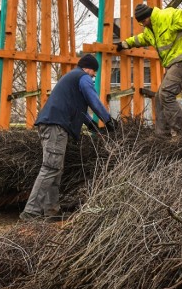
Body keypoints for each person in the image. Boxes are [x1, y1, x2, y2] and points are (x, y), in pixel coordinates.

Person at [20, 54, 115, 221]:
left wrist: (89, 123)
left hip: (50, 124)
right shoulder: (83, 77)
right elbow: (93, 99)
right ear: (88, 68)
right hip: (56, 126)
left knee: (55, 168)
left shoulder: (71, 78)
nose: (93, 77)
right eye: (93, 73)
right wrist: (107, 120)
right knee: (50, 168)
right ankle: (31, 212)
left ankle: (52, 211)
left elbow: (76, 106)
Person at [116, 3, 182, 137]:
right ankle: (162, 136)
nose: (144, 24)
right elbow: (141, 39)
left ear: (149, 16)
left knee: (166, 93)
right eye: (141, 23)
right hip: (173, 65)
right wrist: (125, 44)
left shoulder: (168, 15)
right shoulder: (150, 30)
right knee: (159, 97)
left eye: (144, 21)